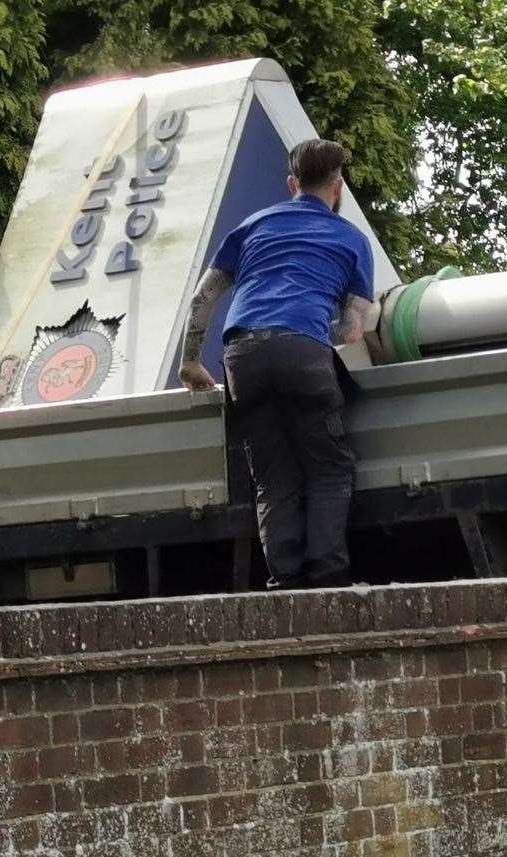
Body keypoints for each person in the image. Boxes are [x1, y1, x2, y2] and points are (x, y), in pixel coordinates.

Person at [178, 139, 374, 590]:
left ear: (292, 184)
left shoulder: (252, 225)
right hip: (302, 349)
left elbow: (202, 299)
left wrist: (190, 362)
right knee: (327, 466)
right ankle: (327, 576)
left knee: (271, 473)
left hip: (241, 354)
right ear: (337, 186)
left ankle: (283, 581)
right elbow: (350, 329)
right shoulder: (352, 240)